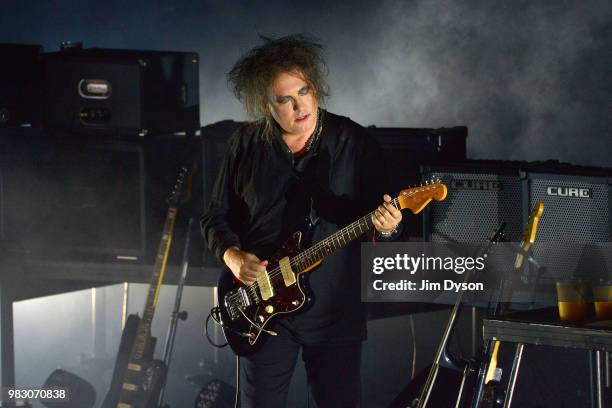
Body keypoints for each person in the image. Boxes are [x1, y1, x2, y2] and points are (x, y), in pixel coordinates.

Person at [200, 34, 402, 408]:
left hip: (333, 312)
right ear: (266, 104)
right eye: (285, 99)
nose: (300, 105)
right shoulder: (244, 144)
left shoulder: (354, 143)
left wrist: (388, 227)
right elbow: (215, 215)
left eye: (305, 91)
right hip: (260, 308)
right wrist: (231, 256)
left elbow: (384, 222)